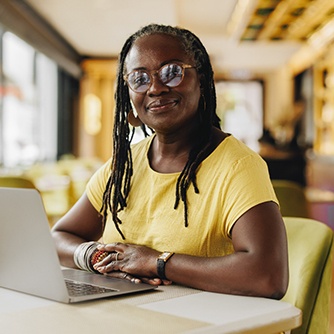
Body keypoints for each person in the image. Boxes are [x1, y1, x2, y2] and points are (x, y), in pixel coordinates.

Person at [52, 23, 289, 299]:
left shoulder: (238, 166)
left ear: (200, 79)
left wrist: (157, 262)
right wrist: (93, 256)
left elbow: (268, 276)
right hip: (129, 316)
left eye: (172, 72)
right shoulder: (123, 166)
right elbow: (59, 236)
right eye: (139, 79)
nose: (155, 88)